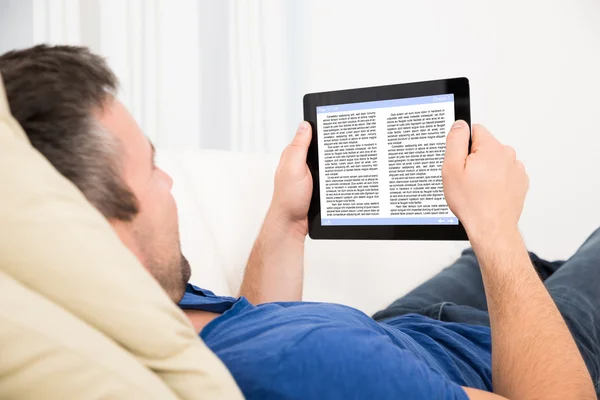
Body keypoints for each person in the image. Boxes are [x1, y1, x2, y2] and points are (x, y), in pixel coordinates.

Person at [0, 45, 597, 400]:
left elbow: (261, 326)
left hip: (396, 335)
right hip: (490, 356)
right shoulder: (313, 369)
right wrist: (496, 230)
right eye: (152, 168)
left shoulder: (152, 312)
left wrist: (285, 219)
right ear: (96, 229)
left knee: (474, 263)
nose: (170, 182)